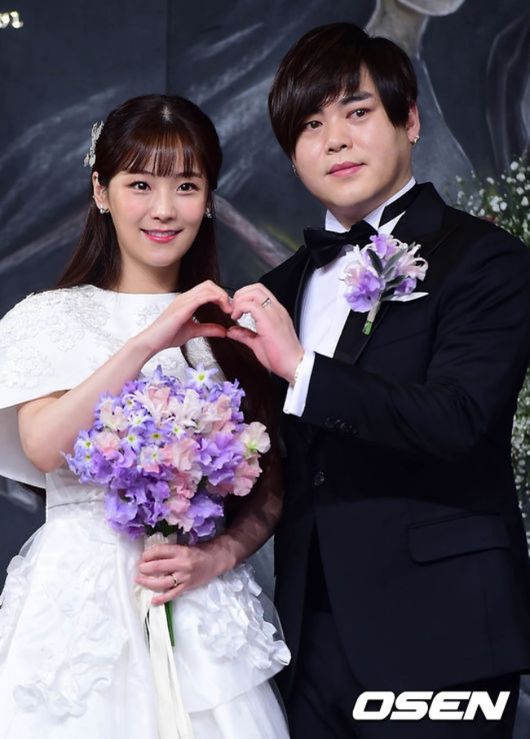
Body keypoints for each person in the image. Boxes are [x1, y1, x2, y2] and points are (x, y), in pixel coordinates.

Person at [227, 22, 530, 739]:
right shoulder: (277, 289)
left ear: (410, 120)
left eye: (356, 112)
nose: (334, 140)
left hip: (442, 627)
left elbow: (457, 418)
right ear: (292, 154)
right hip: (307, 636)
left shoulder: (485, 260)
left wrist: (301, 369)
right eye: (310, 125)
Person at [0, 94, 290, 738]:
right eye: (140, 184)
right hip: (78, 606)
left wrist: (215, 557)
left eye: (186, 185)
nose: (164, 209)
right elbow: (44, 447)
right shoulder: (47, 317)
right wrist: (149, 341)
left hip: (194, 603)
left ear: (208, 199)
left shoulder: (232, 330)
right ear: (100, 191)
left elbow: (269, 487)